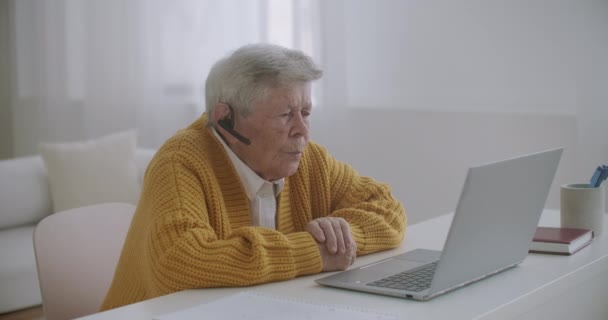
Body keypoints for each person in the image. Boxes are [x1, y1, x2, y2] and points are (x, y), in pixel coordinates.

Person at [100, 43, 406, 310]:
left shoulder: (309, 159)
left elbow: (387, 208)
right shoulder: (179, 163)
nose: (302, 130)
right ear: (226, 120)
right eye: (286, 115)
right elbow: (182, 262)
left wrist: (342, 239)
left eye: (306, 113)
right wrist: (313, 251)